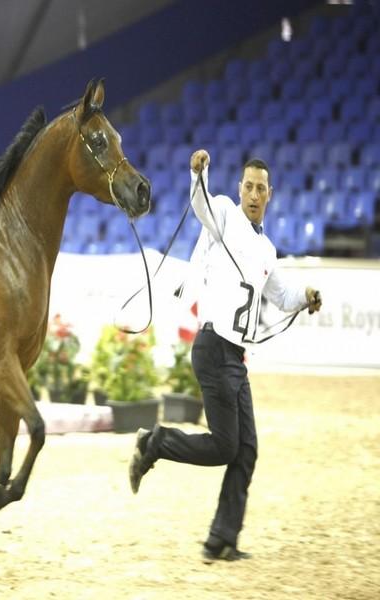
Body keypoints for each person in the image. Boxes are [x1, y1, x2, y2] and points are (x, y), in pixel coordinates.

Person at [128, 149, 323, 563]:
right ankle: (155, 442)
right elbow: (200, 202)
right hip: (214, 348)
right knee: (223, 446)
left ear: (271, 194)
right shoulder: (224, 215)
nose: (254, 193)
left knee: (245, 449)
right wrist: (199, 172)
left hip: (235, 357)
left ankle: (222, 539)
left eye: (261, 188)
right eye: (248, 186)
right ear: (239, 189)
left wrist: (304, 296)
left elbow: (281, 294)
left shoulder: (267, 249)